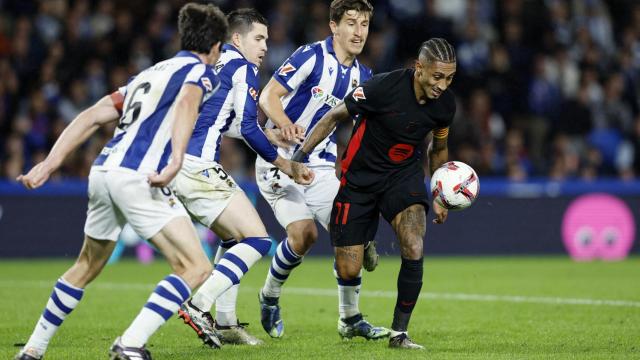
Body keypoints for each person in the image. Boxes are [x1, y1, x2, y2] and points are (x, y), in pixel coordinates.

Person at [14, 4, 228, 360]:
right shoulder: (201, 72)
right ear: (216, 46)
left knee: (87, 265)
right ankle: (130, 343)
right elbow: (190, 102)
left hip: (103, 171)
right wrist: (176, 160)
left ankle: (33, 350)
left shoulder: (149, 74)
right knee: (197, 266)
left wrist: (49, 163)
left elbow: (91, 115)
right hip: (138, 177)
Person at [290, 38, 458, 349]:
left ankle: (399, 334)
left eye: (449, 78)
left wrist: (440, 192)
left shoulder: (445, 106)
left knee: (413, 243)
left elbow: (439, 147)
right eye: (437, 77)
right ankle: (364, 241)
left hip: (403, 178)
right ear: (419, 68)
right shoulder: (382, 87)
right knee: (348, 268)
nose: (442, 86)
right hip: (359, 180)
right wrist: (299, 156)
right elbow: (333, 116)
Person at [172, 8, 311, 347]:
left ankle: (225, 322)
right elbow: (248, 126)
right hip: (198, 166)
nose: (265, 46)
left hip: (175, 163)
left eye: (267, 39)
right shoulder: (245, 68)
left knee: (234, 239)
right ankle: (201, 304)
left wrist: (270, 134)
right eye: (259, 38)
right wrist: (285, 163)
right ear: (237, 38)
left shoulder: (215, 64)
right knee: (258, 240)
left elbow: (222, 121)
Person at [255, 0, 387, 340]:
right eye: (352, 23)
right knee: (304, 235)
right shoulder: (310, 56)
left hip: (322, 168)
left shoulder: (364, 77)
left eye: (365, 25)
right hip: (280, 159)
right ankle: (269, 295)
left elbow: (364, 133)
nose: (359, 32)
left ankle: (350, 319)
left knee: (351, 238)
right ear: (333, 25)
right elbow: (268, 96)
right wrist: (284, 124)